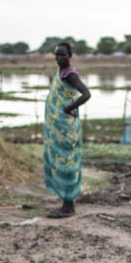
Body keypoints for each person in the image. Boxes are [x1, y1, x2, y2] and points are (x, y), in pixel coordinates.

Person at [44, 42, 91, 219]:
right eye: (56, 55)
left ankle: (68, 206)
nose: (59, 58)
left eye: (62, 55)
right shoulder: (61, 73)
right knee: (63, 160)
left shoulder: (70, 75)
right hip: (60, 127)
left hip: (66, 127)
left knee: (67, 162)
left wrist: (68, 108)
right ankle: (67, 203)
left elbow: (86, 94)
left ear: (69, 56)